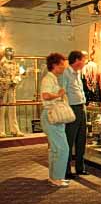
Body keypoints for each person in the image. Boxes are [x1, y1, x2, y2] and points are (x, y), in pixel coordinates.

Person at [40, 53, 70, 187]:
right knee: (63, 148)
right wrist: (58, 94)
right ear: (55, 65)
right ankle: (57, 178)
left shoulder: (53, 78)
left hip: (53, 116)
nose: (64, 67)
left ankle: (54, 177)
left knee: (55, 149)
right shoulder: (48, 79)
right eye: (62, 64)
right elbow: (45, 95)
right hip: (51, 115)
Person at [61, 50, 88, 179]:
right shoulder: (65, 74)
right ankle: (66, 170)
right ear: (77, 60)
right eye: (83, 60)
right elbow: (63, 93)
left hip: (82, 107)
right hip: (72, 108)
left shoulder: (78, 73)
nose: (84, 63)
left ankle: (80, 167)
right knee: (69, 139)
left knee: (81, 139)